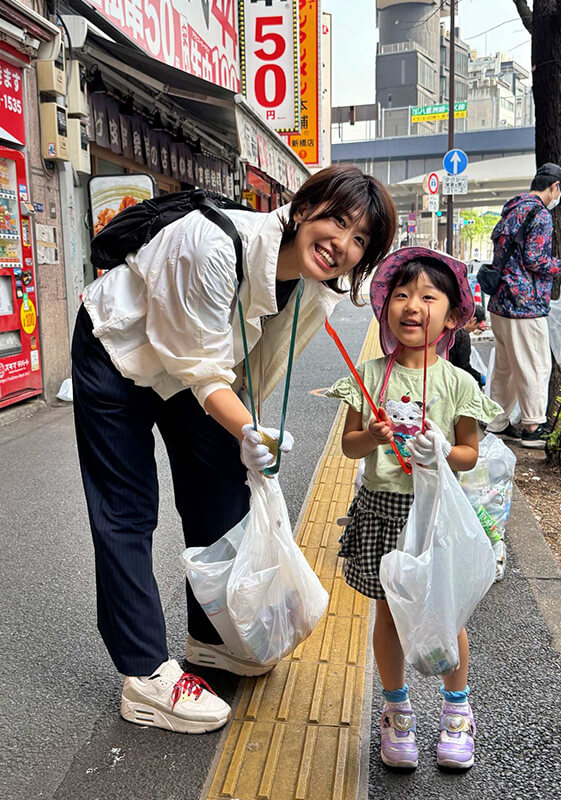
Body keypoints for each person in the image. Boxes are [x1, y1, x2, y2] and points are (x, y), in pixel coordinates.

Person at [71, 165, 397, 735]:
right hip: (118, 348)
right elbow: (202, 370)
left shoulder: (313, 290)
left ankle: (212, 638)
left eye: (360, 239)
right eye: (338, 221)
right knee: (126, 508)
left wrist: (248, 435)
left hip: (196, 366)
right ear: (303, 209)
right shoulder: (211, 245)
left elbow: (249, 370)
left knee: (222, 486)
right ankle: (144, 675)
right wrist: (249, 429)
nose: (341, 244)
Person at [328, 247, 502, 770]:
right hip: (382, 511)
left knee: (448, 614)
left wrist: (442, 451)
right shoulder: (368, 376)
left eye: (428, 297)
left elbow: (469, 454)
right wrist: (373, 436)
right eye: (401, 295)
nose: (412, 305)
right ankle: (396, 711)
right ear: (386, 310)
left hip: (437, 517)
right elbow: (350, 447)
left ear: (451, 317)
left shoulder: (458, 382)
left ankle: (456, 711)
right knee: (388, 611)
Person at [485, 163, 561, 448]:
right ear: (555, 187)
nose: (557, 199)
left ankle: (497, 422)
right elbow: (536, 260)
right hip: (524, 306)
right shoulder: (540, 214)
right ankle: (532, 426)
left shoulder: (512, 209)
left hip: (500, 303)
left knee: (506, 368)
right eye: (559, 193)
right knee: (535, 365)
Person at [448, 304, 486, 387]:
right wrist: (479, 377)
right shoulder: (463, 336)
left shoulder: (450, 328)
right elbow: (463, 366)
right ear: (473, 320)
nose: (474, 330)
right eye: (477, 326)